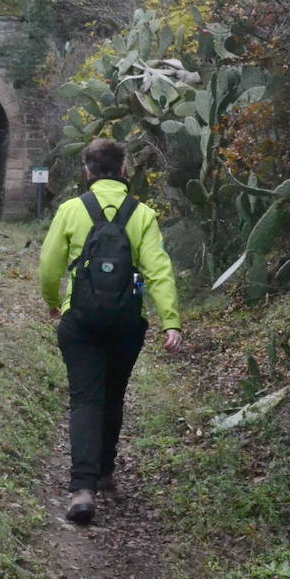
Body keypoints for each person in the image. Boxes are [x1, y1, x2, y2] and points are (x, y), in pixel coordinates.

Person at [38, 138, 183, 525]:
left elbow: (49, 267)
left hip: (80, 321)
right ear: (123, 170)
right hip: (126, 323)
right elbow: (159, 271)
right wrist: (171, 321)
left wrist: (54, 301)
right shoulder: (143, 215)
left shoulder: (71, 210)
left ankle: (81, 489)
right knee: (113, 395)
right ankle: (104, 471)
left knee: (85, 399)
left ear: (87, 171)